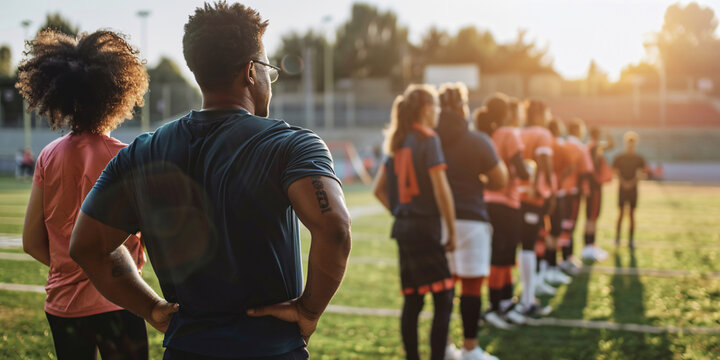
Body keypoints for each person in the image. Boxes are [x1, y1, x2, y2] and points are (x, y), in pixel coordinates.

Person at [70, 2, 352, 359]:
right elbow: (336, 229)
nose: (270, 80)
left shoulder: (140, 153)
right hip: (270, 350)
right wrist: (309, 310)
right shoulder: (291, 143)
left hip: (186, 348)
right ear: (251, 71)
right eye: (268, 69)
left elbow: (86, 246)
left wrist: (151, 308)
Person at [17, 29, 149, 359]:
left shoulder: (47, 155)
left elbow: (32, 242)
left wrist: (77, 267)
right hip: (121, 300)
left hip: (64, 306)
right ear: (118, 91)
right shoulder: (129, 156)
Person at [373, 84, 456, 360]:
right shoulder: (427, 139)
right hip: (425, 227)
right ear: (426, 109)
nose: (439, 113)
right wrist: (451, 229)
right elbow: (441, 189)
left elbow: (379, 189)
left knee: (413, 299)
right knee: (444, 297)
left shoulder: (397, 143)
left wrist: (400, 212)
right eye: (436, 107)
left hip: (404, 229)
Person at [437, 84, 506, 360]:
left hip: (439, 220)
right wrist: (477, 178)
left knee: (443, 288)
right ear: (463, 107)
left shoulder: (430, 139)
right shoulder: (477, 140)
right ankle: (470, 348)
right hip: (473, 219)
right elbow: (500, 180)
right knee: (472, 287)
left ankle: (442, 346)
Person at [474, 95, 530, 329]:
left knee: (503, 256)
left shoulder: (487, 135)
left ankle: (505, 302)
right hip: (506, 202)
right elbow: (521, 169)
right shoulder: (508, 133)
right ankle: (496, 305)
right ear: (504, 113)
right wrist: (530, 171)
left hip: (488, 202)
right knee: (502, 256)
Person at [517, 99, 556, 317]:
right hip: (532, 196)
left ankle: (520, 296)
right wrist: (548, 190)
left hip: (515, 195)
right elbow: (544, 162)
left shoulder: (517, 132)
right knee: (529, 246)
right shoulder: (541, 134)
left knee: (522, 246)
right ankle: (527, 299)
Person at [555, 118, 594, 273]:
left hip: (559, 191)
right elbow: (586, 172)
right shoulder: (579, 147)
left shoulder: (562, 145)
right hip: (573, 192)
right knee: (569, 225)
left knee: (561, 224)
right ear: (578, 130)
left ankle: (561, 256)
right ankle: (567, 257)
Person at [538, 118, 572, 293]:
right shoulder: (558, 146)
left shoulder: (542, 142)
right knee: (554, 231)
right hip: (553, 192)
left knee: (544, 231)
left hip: (541, 192)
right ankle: (549, 268)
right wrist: (557, 181)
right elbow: (570, 166)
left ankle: (545, 269)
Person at [581, 126, 614, 262]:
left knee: (591, 217)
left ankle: (590, 245)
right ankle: (589, 246)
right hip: (594, 188)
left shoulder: (590, 147)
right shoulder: (594, 148)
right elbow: (611, 145)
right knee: (592, 217)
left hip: (592, 187)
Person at [612, 131, 646, 250]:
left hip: (633, 190)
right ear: (626, 143)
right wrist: (623, 182)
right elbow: (615, 172)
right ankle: (617, 238)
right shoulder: (619, 157)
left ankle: (631, 240)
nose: (630, 145)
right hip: (622, 189)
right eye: (629, 142)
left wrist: (632, 183)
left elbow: (642, 173)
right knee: (621, 214)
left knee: (631, 215)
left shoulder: (638, 158)